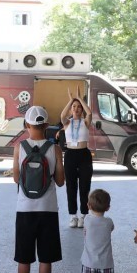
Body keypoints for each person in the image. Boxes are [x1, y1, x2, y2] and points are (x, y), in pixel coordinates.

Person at [12, 106, 65, 273]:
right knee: (46, 258)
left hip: (24, 209)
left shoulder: (19, 147)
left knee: (24, 257)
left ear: (27, 124)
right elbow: (60, 181)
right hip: (48, 209)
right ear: (46, 125)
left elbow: (16, 178)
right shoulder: (55, 149)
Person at [59, 87, 93, 228]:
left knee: (84, 186)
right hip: (70, 155)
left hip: (84, 155)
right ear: (71, 109)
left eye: (79, 107)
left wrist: (79, 98)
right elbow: (62, 115)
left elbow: (89, 112)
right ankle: (73, 216)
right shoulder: (67, 122)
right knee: (71, 186)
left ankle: (84, 215)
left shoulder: (85, 122)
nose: (76, 109)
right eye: (74, 107)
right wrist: (71, 100)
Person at [82, 189, 116, 273]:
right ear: (108, 207)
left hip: (89, 263)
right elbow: (111, 228)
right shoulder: (109, 222)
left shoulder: (87, 220)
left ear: (89, 206)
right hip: (106, 263)